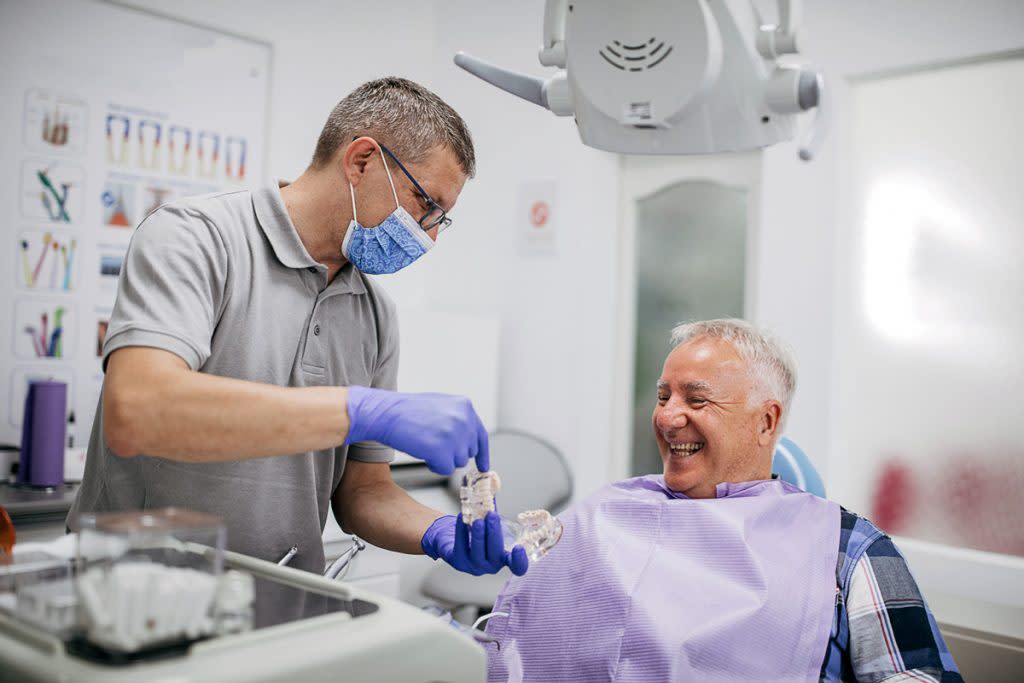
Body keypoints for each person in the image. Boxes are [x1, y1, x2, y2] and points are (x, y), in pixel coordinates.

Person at [67, 77, 527, 580]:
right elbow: (139, 412)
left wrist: (438, 531)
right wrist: (357, 410)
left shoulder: (374, 313)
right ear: (361, 161)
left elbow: (362, 492)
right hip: (138, 599)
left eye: (443, 219)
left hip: (279, 604)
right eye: (426, 205)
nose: (430, 235)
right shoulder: (195, 238)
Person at [485, 319, 961, 682]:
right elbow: (507, 633)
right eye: (663, 395)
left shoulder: (847, 547)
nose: (668, 418)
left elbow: (916, 673)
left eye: (697, 400)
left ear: (766, 422)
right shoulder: (605, 511)